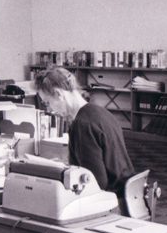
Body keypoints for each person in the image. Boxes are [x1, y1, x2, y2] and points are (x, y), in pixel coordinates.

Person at [34, 67, 134, 196]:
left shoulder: (82, 125)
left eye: (47, 102)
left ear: (59, 94)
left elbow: (95, 182)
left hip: (110, 200)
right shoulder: (100, 112)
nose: (50, 109)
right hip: (126, 193)